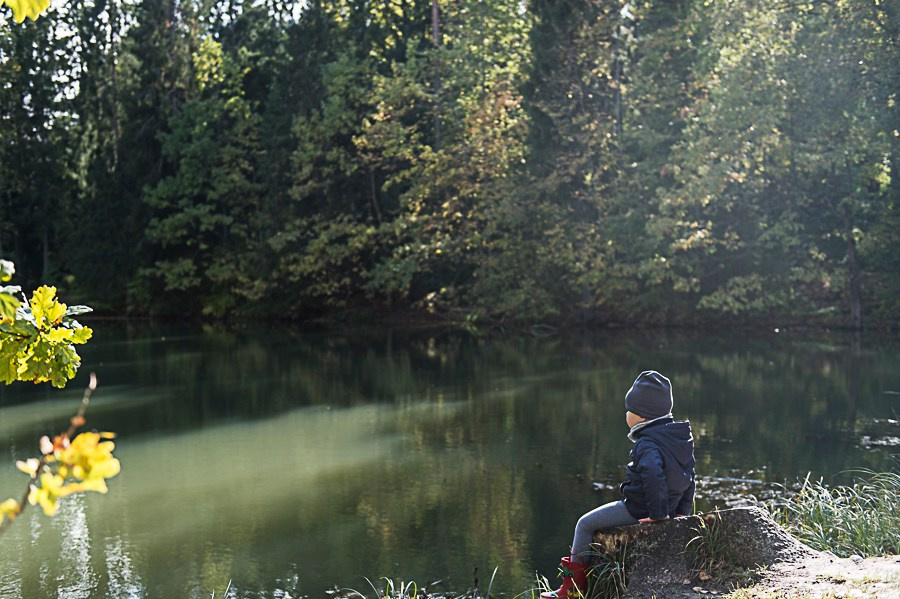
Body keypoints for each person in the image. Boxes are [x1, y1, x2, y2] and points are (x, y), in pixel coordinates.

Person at [540, 370, 696, 599]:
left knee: (584, 524)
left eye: (629, 410)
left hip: (639, 508)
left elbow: (653, 475)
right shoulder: (680, 438)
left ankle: (572, 590)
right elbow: (689, 474)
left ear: (642, 417)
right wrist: (682, 513)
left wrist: (657, 514)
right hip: (670, 508)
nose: (626, 414)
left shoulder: (647, 443)